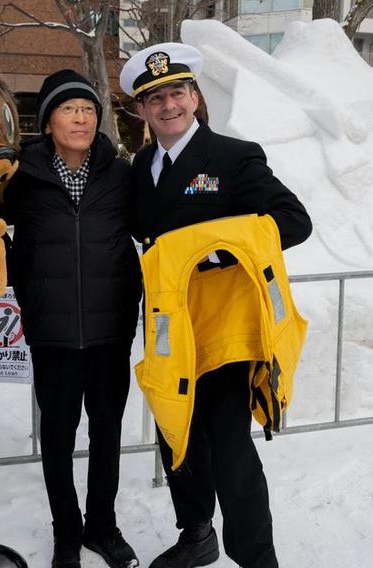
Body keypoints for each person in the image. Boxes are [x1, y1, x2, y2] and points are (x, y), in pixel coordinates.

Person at [119, 44, 312, 568]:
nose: (167, 106)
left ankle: (256, 557)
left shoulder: (233, 156)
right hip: (167, 330)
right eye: (154, 98)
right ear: (141, 111)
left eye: (176, 93)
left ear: (195, 97)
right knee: (177, 436)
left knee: (231, 452)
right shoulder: (140, 167)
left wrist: (215, 253)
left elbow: (293, 222)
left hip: (225, 335)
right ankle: (196, 533)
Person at [1, 69, 143, 568]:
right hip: (52, 334)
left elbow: (155, 227)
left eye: (87, 109)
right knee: (58, 438)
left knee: (107, 434)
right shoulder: (22, 176)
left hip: (110, 331)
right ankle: (67, 530)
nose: (80, 117)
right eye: (68, 109)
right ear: (47, 121)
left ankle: (102, 526)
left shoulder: (121, 174)